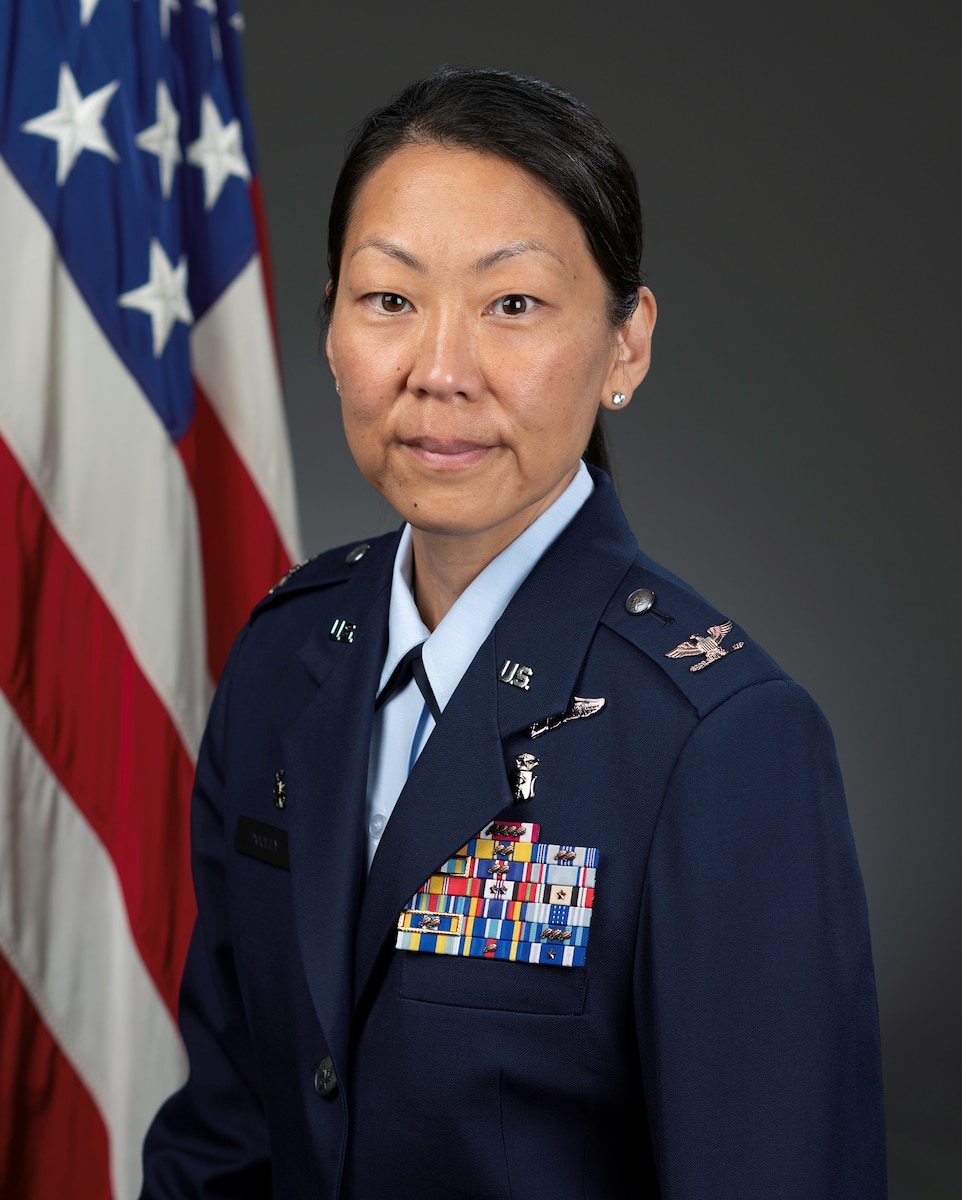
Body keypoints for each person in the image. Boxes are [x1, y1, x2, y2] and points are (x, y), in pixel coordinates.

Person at [141, 67, 886, 1198]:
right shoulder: (282, 662)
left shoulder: (719, 741)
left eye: (513, 305)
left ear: (624, 346)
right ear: (330, 324)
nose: (439, 374)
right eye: (388, 299)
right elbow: (225, 1135)